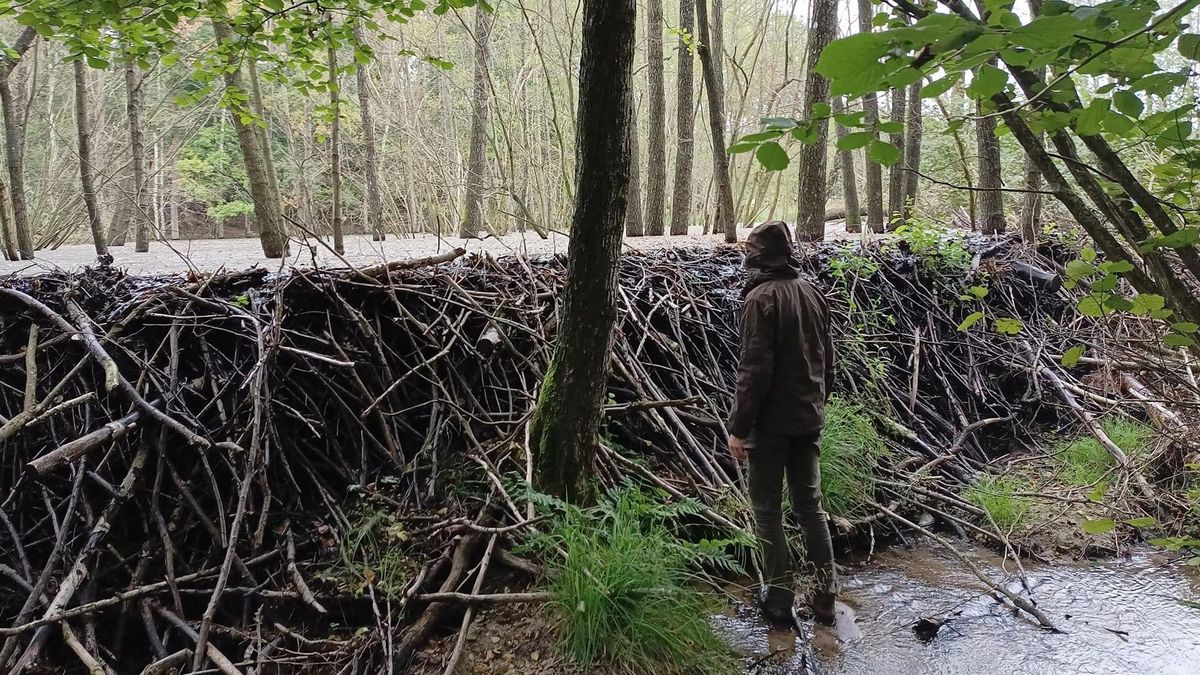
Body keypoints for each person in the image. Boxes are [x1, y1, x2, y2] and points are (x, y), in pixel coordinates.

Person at [727, 220, 837, 626]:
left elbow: (753, 371)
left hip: (771, 427)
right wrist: (818, 404)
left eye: (749, 252)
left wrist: (740, 428)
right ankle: (825, 596)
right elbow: (828, 360)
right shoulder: (812, 292)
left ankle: (778, 599)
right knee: (811, 508)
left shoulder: (759, 299)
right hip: (808, 419)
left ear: (758, 256)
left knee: (768, 512)